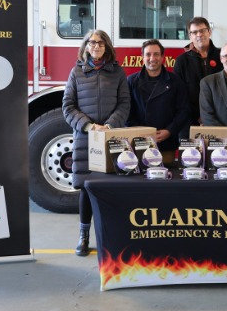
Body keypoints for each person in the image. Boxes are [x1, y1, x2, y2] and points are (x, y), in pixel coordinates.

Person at [62, 30, 130, 257]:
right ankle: (84, 236)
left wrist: (109, 127)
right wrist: (90, 127)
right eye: (92, 42)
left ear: (107, 46)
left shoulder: (117, 73)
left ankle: (113, 237)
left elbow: (124, 104)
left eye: (100, 43)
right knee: (86, 187)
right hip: (85, 139)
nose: (96, 46)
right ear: (86, 46)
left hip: (111, 139)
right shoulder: (76, 73)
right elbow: (68, 106)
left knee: (111, 188)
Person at [126, 39, 190, 164]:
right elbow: (126, 112)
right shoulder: (131, 82)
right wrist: (140, 133)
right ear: (142, 57)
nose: (152, 58)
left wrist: (169, 131)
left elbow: (184, 111)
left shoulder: (175, 82)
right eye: (148, 54)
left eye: (156, 54)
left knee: (165, 180)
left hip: (166, 145)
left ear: (162, 57)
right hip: (138, 145)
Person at [173, 17, 223, 138]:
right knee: (190, 156)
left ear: (209, 32)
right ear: (190, 36)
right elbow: (179, 95)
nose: (199, 34)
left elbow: (225, 90)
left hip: (218, 119)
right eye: (194, 32)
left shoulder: (222, 56)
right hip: (189, 121)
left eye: (202, 30)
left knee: (217, 156)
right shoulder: (181, 61)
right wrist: (199, 117)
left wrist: (209, 117)